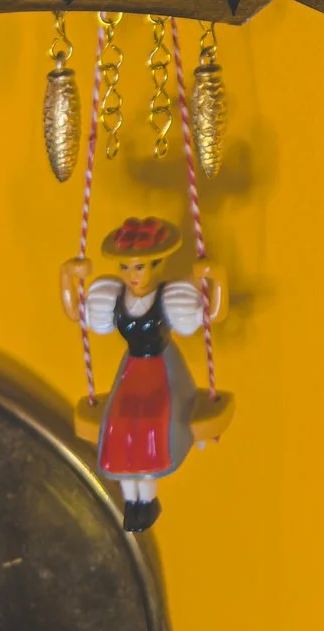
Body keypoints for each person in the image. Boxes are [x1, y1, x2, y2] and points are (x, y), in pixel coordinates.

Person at [61, 215, 228, 531]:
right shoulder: (115, 298)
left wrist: (217, 278)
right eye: (125, 268)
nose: (132, 276)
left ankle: (147, 500)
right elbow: (77, 315)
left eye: (139, 267)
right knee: (120, 425)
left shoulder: (169, 298)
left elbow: (211, 315)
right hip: (132, 372)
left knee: (152, 424)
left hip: (163, 372)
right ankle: (133, 501)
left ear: (157, 264)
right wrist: (68, 276)